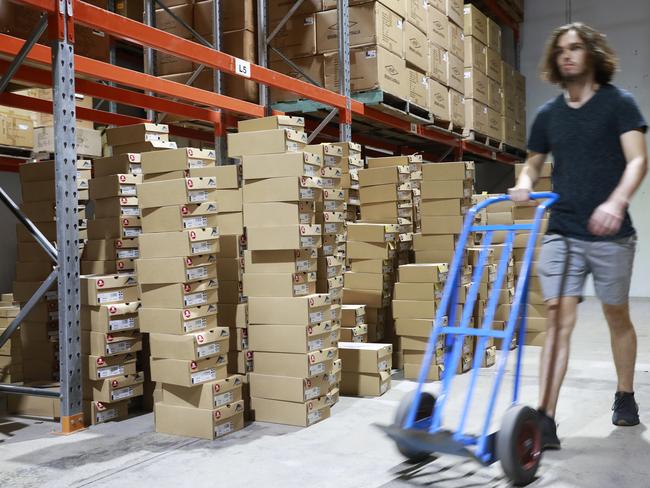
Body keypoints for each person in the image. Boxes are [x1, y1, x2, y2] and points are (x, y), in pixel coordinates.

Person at [509, 22, 648, 451]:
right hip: (563, 231)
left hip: (612, 236)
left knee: (616, 317)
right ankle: (545, 418)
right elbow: (533, 163)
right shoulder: (549, 114)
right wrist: (525, 181)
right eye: (561, 50)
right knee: (557, 318)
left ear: (592, 55)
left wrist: (617, 202)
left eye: (575, 48)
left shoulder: (619, 104)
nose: (567, 55)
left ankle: (625, 395)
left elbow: (637, 161)